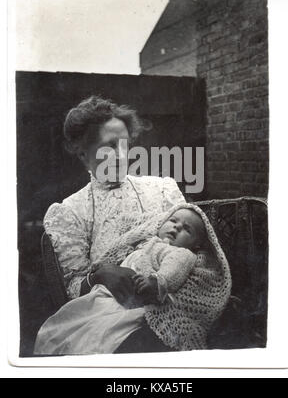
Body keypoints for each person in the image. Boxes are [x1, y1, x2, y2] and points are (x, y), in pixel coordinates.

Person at [40, 94, 186, 352]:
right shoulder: (71, 212)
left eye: (124, 145)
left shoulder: (162, 190)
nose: (120, 156)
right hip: (109, 315)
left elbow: (189, 246)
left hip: (171, 299)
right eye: (108, 146)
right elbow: (73, 287)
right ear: (83, 154)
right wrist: (100, 274)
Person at [34, 203, 231, 355]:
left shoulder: (180, 253)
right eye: (173, 221)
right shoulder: (144, 243)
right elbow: (117, 255)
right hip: (106, 295)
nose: (176, 228)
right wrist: (101, 267)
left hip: (132, 304)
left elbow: (175, 268)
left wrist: (157, 282)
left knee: (102, 334)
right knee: (71, 324)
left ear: (196, 245)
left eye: (187, 229)